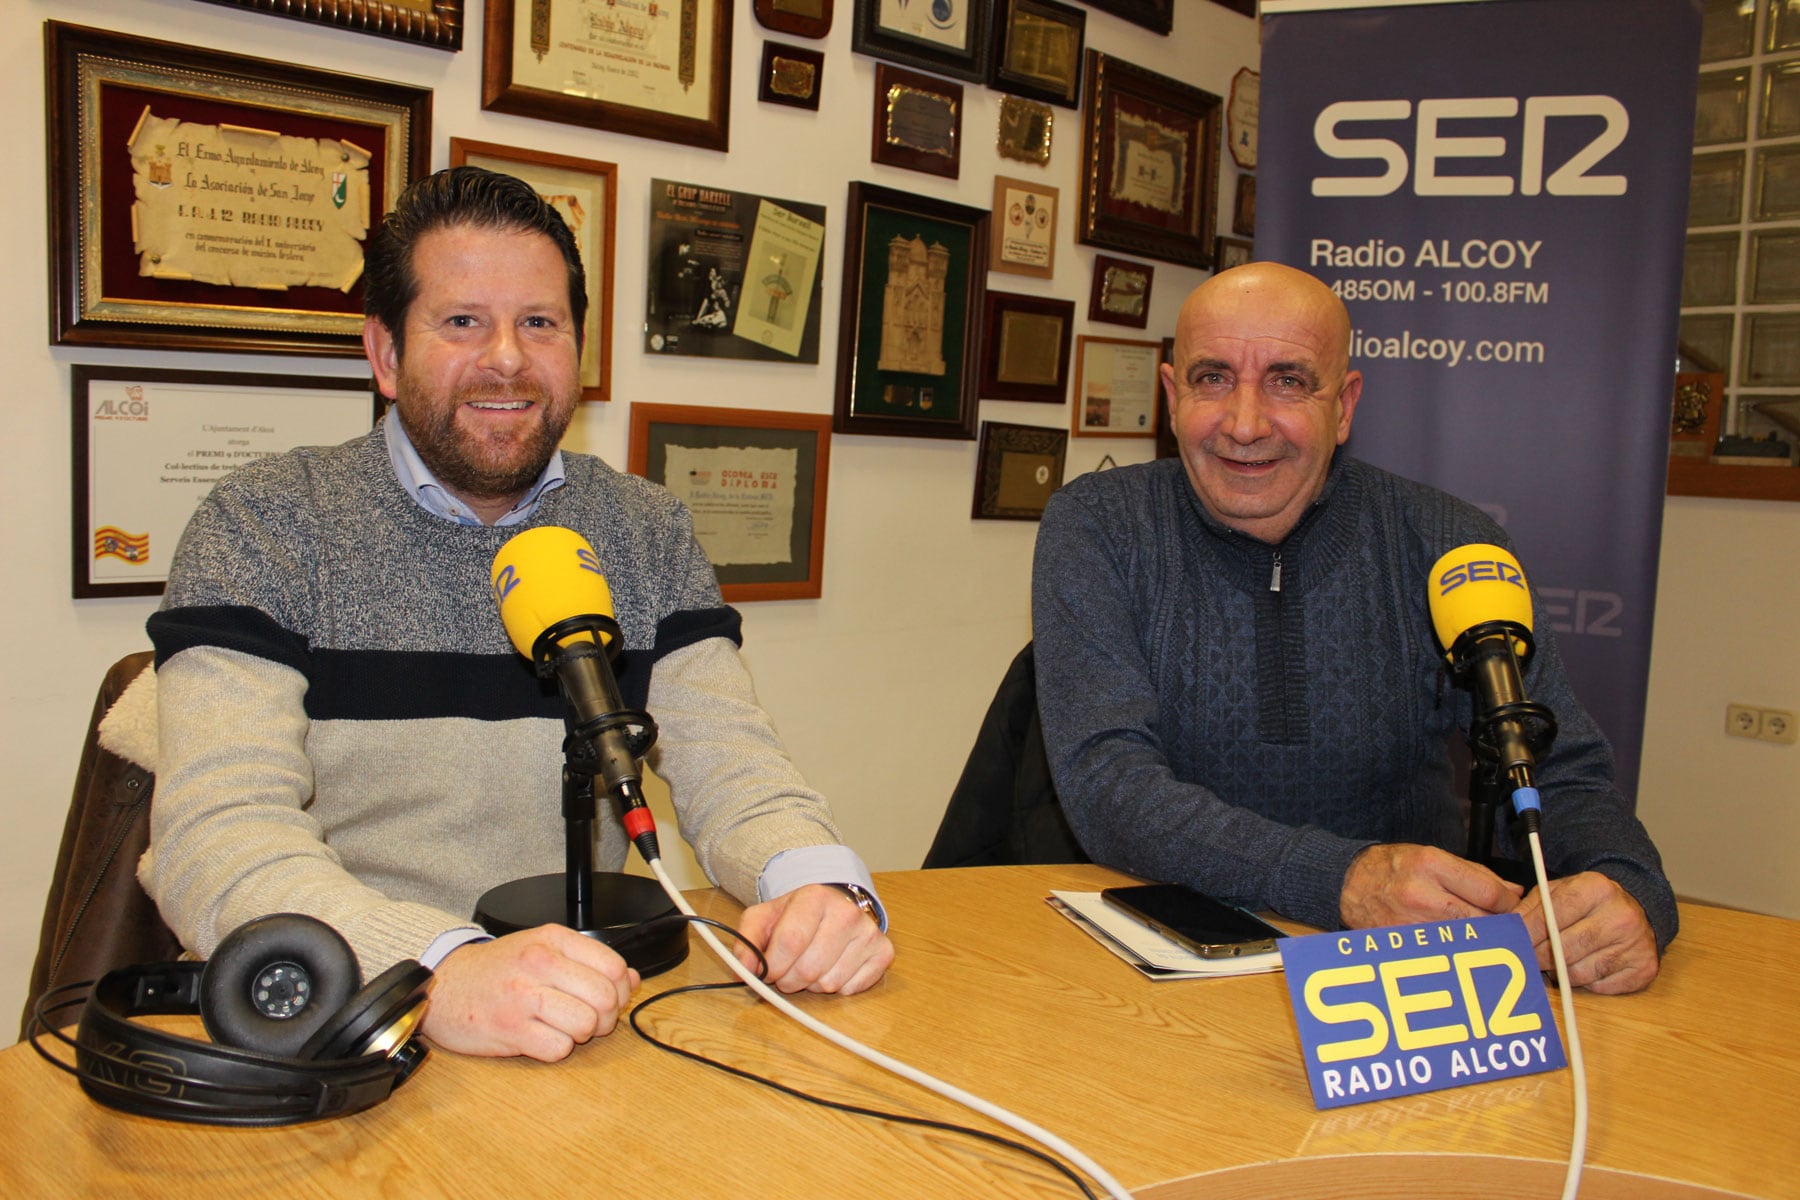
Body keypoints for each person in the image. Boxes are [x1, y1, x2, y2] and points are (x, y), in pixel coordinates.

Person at [141, 167, 893, 1061]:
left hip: (587, 1030)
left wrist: (819, 888)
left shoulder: (646, 529)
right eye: (462, 322)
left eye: (540, 323)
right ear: (384, 354)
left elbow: (736, 768)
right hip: (349, 1024)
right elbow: (216, 834)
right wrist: (434, 969)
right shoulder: (266, 522)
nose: (507, 357)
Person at [1030, 262, 1674, 995]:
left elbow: (1557, 771)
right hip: (1159, 963)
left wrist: (1630, 891)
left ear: (1345, 405)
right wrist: (1341, 879)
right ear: (1173, 397)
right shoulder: (1099, 527)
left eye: (1288, 381)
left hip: (1400, 982)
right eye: (1213, 379)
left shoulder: (1449, 542)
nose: (1245, 423)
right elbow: (1109, 783)